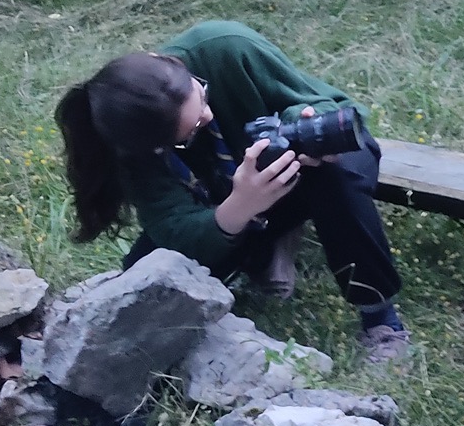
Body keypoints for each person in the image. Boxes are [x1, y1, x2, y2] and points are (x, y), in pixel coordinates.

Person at [55, 20, 410, 360]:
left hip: (303, 170)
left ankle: (380, 318)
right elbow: (174, 228)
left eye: (202, 96)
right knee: (146, 274)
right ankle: (266, 249)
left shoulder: (223, 47)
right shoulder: (130, 146)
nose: (208, 117)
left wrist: (303, 126)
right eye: (191, 132)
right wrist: (239, 207)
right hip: (227, 201)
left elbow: (323, 103)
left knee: (339, 170)